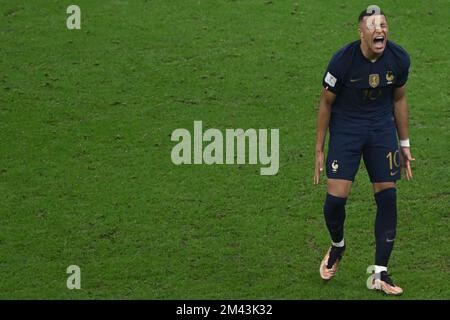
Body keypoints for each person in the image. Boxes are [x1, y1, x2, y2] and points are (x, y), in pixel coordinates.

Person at [314, 7, 415, 295]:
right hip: (346, 130)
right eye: (372, 26)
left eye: (383, 24)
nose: (379, 29)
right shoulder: (342, 61)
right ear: (361, 32)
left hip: (381, 130)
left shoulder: (399, 59)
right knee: (335, 201)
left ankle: (380, 273)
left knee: (388, 196)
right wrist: (319, 148)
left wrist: (404, 144)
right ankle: (337, 246)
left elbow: (399, 100)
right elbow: (325, 103)